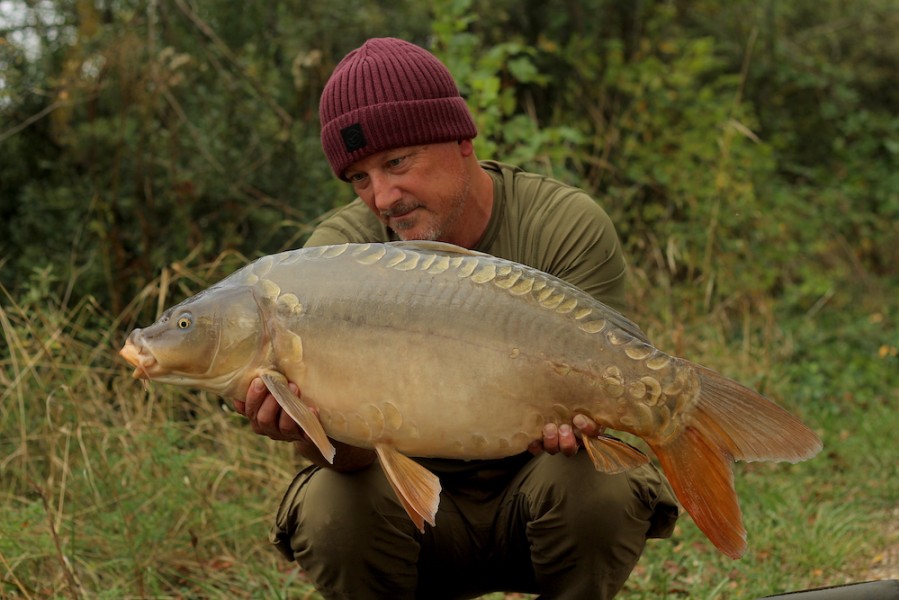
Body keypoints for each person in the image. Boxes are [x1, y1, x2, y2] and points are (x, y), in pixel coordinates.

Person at [233, 37, 679, 599]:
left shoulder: (562, 224)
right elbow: (344, 459)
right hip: (411, 518)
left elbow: (608, 396)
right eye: (360, 179)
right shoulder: (331, 262)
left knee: (597, 485)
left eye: (397, 162)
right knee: (330, 506)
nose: (383, 197)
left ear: (462, 138)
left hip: (539, 497)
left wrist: (599, 417)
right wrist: (306, 430)